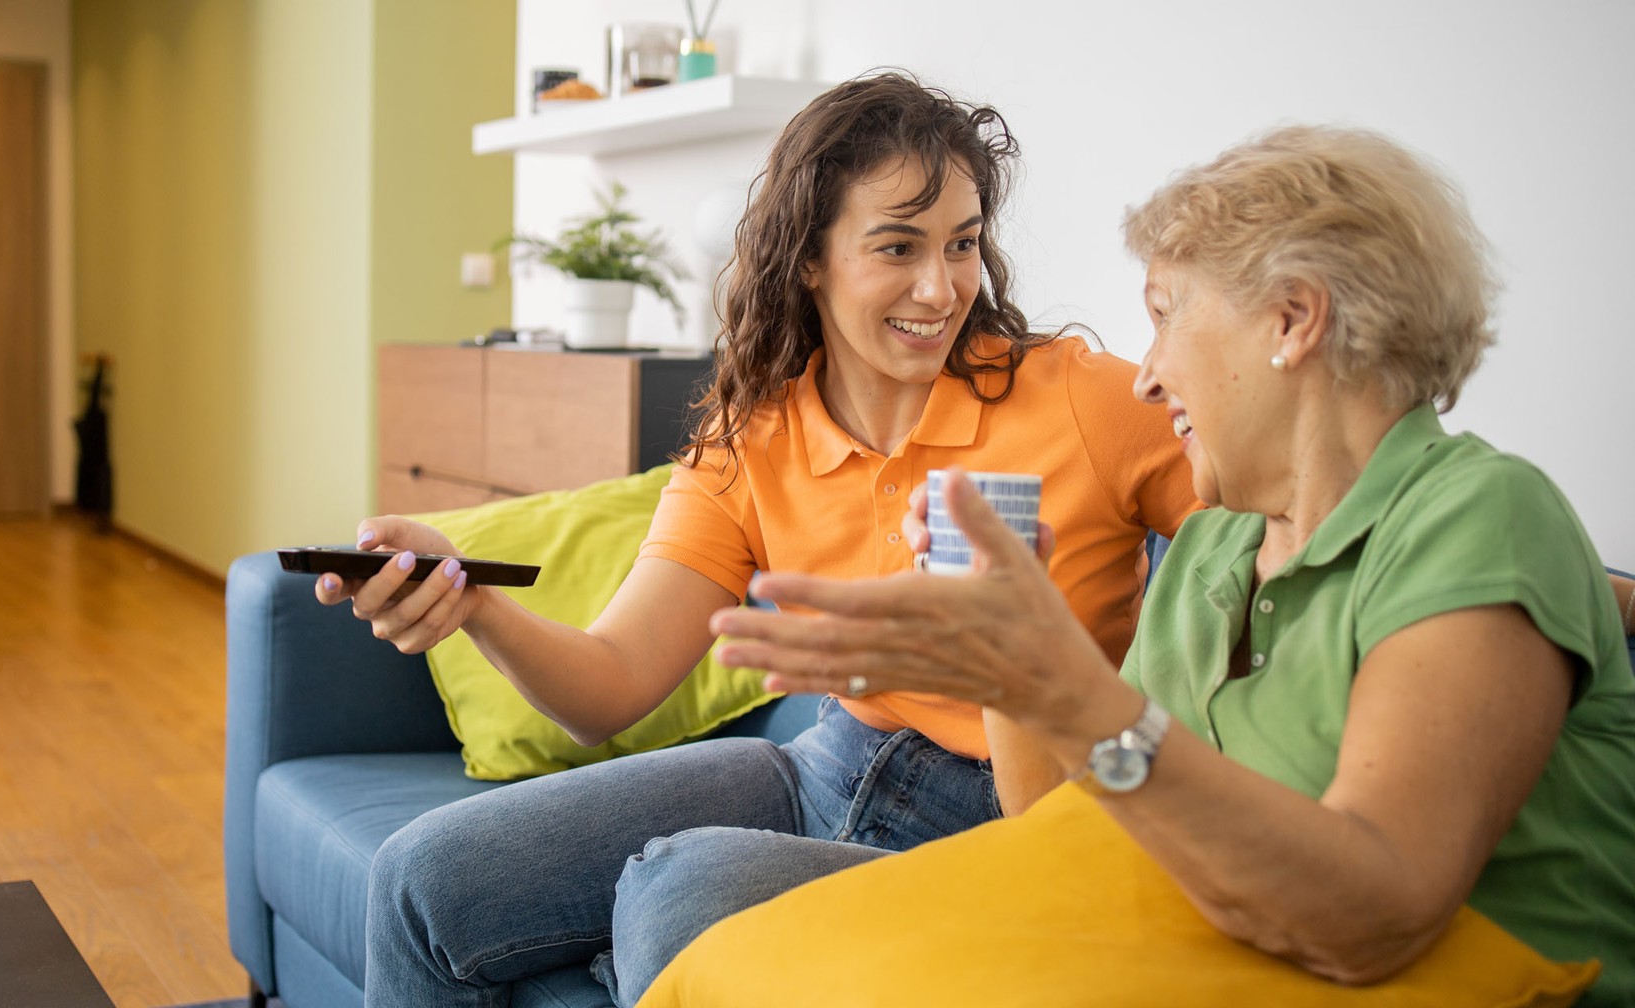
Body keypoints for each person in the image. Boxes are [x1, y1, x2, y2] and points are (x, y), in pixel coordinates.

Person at [316, 72, 1200, 1006]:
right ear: (809, 258)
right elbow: (607, 687)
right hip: (834, 765)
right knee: (421, 882)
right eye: (897, 246)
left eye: (964, 244)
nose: (941, 288)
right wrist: (476, 605)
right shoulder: (752, 438)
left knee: (680, 889)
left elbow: (1269, 523)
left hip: (1024, 813)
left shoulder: (1084, 400)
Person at [710, 125, 1635, 1002]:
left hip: (1446, 980)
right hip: (1210, 959)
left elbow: (1377, 915)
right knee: (735, 949)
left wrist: (1077, 695)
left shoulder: (1479, 513)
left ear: (1293, 318)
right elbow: (1069, 837)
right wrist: (1012, 664)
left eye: (1166, 315)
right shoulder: (1214, 548)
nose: (1146, 375)